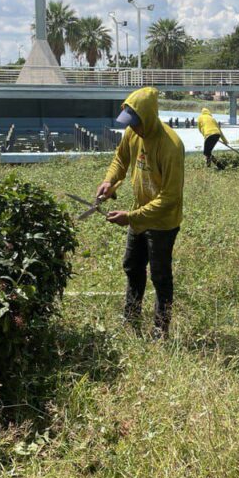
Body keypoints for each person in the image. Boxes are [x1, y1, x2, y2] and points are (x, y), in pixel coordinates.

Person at [97, 87, 185, 338]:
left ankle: (160, 329)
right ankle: (131, 318)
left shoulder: (171, 146)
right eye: (129, 123)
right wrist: (109, 181)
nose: (132, 128)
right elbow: (120, 160)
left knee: (160, 276)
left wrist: (130, 218)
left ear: (147, 117)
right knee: (132, 267)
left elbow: (170, 198)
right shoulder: (131, 134)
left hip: (162, 222)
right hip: (138, 215)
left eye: (135, 123)